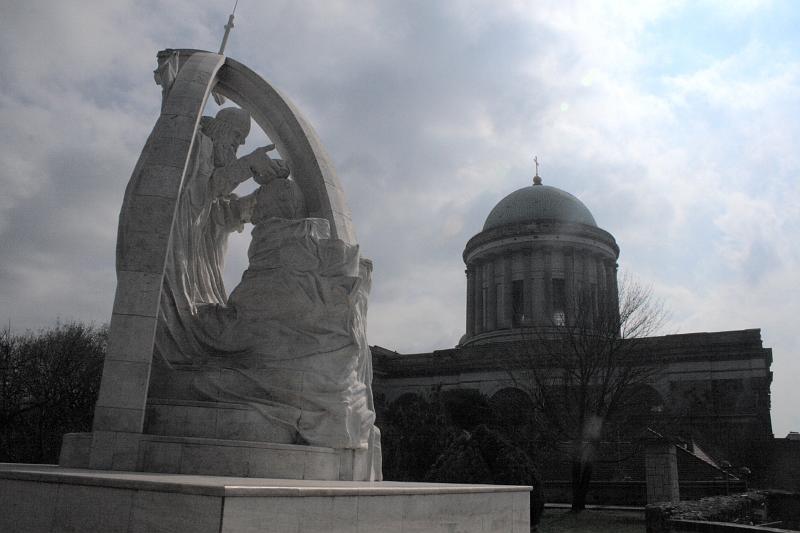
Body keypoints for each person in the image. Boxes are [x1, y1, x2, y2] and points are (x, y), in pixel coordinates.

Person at [155, 107, 286, 364]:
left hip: (198, 263)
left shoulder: (213, 159)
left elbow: (220, 213)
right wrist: (248, 164)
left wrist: (268, 194)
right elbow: (202, 191)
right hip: (178, 256)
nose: (238, 145)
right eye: (237, 137)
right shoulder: (198, 146)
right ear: (222, 128)